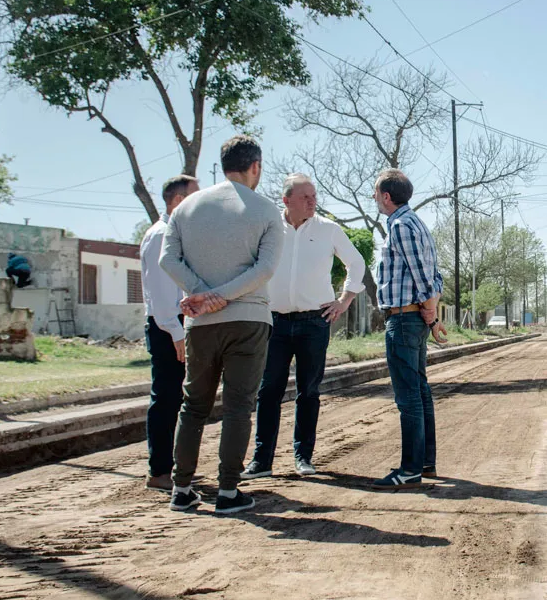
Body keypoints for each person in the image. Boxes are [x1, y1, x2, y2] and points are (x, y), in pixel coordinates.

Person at [160, 135, 283, 515]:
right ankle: (228, 491)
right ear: (256, 166)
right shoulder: (265, 210)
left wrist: (202, 294)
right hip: (248, 319)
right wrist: (225, 295)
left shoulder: (186, 208)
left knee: (193, 406)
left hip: (200, 322)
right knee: (238, 407)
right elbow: (265, 269)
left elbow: (168, 259)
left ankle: (181, 488)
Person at [242, 174, 365, 481]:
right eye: (306, 197)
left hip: (315, 322)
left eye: (314, 196)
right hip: (274, 323)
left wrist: (344, 300)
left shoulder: (328, 229)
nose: (313, 201)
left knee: (308, 391)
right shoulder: (269, 227)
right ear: (286, 201)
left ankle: (303, 457)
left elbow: (357, 263)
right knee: (268, 391)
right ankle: (262, 461)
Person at [371, 169, 448, 491]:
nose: (375, 199)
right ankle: (424, 462)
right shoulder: (415, 224)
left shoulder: (401, 226)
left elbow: (422, 277)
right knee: (420, 391)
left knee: (409, 397)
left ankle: (411, 468)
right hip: (413, 318)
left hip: (404, 319)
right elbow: (436, 276)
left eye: (376, 194)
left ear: (386, 196)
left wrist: (430, 311)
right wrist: (431, 313)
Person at [139, 174, 199, 493]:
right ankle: (159, 470)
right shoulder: (162, 235)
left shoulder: (173, 235)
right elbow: (162, 297)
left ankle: (169, 465)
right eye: (194, 197)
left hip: (176, 324)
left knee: (175, 398)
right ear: (177, 201)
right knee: (165, 398)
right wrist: (177, 334)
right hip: (167, 328)